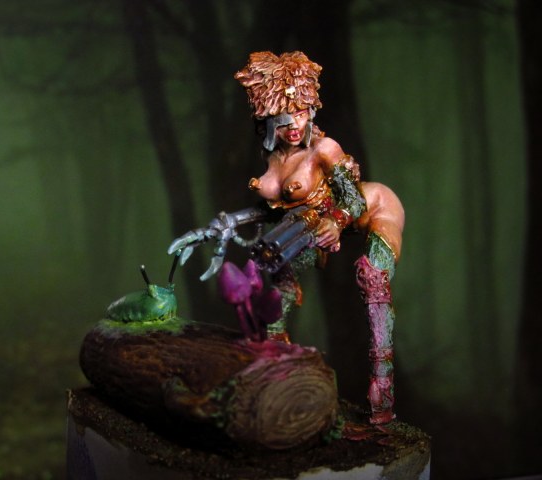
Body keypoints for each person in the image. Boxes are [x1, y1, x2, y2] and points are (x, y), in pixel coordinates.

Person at [169, 51, 404, 425]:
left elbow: (354, 199)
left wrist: (337, 221)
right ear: (266, 116)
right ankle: (275, 362)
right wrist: (224, 224)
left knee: (371, 276)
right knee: (280, 279)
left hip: (373, 209)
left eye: (301, 111)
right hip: (308, 225)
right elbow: (276, 210)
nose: (294, 123)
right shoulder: (272, 160)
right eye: (283, 115)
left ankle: (383, 398)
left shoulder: (323, 149)